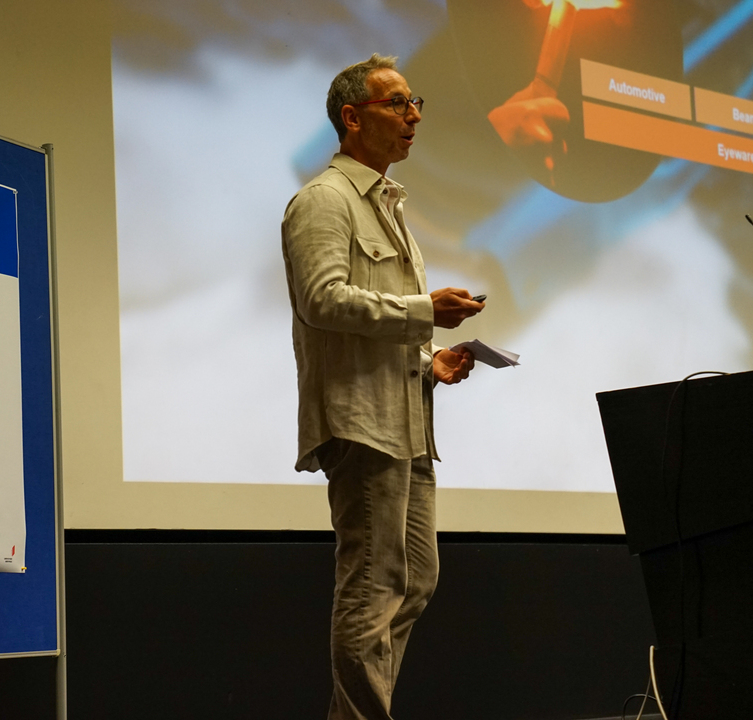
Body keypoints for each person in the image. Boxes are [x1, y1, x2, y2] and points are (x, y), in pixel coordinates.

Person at [281, 54, 485, 720]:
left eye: (415, 101)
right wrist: (424, 310)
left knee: (415, 581)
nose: (414, 115)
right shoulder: (323, 200)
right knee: (372, 591)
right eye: (397, 103)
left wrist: (430, 361)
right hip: (362, 424)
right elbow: (322, 300)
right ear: (352, 117)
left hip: (407, 423)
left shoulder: (389, 207)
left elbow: (378, 322)